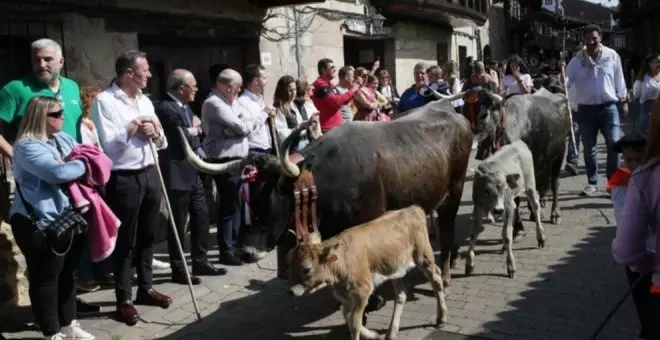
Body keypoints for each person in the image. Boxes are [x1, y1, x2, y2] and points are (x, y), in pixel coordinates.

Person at [92, 50, 171, 326]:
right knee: (126, 239)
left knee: (149, 233)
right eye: (145, 70)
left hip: (150, 172)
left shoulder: (146, 101)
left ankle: (145, 287)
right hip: (123, 177)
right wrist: (131, 129)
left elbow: (163, 144)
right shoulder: (105, 101)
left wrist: (157, 134)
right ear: (129, 73)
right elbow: (108, 147)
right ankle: (123, 298)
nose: (149, 74)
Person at [11, 96, 94, 340]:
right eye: (57, 114)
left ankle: (69, 324)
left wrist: (78, 162)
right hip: (37, 221)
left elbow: (92, 155)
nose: (63, 117)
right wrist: (81, 164)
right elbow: (57, 172)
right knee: (46, 278)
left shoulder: (61, 138)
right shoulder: (27, 145)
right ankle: (51, 332)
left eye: (62, 113)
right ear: (40, 117)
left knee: (68, 274)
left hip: (67, 216)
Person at [155, 69, 227, 286]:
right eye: (193, 86)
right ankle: (178, 269)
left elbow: (197, 130)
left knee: (202, 215)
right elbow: (181, 135)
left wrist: (194, 129)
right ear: (182, 88)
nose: (197, 89)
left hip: (194, 170)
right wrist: (193, 129)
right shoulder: (166, 108)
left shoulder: (184, 107)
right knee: (178, 222)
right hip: (177, 172)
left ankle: (200, 260)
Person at [565, 24, 628, 197]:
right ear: (583, 40)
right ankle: (592, 183)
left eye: (594, 38)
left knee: (614, 145)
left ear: (600, 37)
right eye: (588, 39)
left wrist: (623, 100)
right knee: (589, 148)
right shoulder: (576, 60)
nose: (591, 41)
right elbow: (567, 83)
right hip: (585, 110)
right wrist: (562, 80)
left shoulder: (611, 55)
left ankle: (612, 183)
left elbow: (619, 78)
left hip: (608, 107)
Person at [202, 68, 253, 266]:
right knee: (228, 205)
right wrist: (241, 129)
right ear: (228, 87)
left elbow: (244, 124)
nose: (239, 91)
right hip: (225, 161)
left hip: (238, 160)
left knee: (237, 204)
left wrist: (241, 129)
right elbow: (242, 126)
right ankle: (227, 249)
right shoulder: (213, 103)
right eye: (238, 87)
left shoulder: (231, 102)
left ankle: (236, 244)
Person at [611, 127, 658, 339]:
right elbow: (623, 222)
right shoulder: (621, 184)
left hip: (649, 256)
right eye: (628, 160)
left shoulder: (647, 178)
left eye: (638, 159)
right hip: (641, 256)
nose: (633, 165)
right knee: (644, 303)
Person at [0, 38, 83, 157]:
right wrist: (14, 155)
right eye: (37, 60)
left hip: (75, 163)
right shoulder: (15, 89)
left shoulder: (72, 86)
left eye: (48, 59)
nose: (42, 65)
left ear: (61, 62)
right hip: (38, 167)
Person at [237, 64, 276, 156]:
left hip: (267, 150)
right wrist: (265, 113)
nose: (267, 82)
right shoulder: (242, 102)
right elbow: (248, 131)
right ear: (255, 81)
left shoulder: (260, 99)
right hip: (254, 152)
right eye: (264, 78)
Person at [273, 75, 320, 151]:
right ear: (283, 91)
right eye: (290, 90)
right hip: (292, 149)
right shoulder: (279, 109)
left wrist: (311, 123)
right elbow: (282, 134)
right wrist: (300, 127)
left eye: (294, 90)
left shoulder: (295, 105)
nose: (293, 93)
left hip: (305, 144)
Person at [311, 58, 355, 132]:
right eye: (332, 68)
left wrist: (354, 90)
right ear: (323, 71)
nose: (335, 70)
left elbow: (343, 102)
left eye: (334, 67)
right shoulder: (320, 84)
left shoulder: (330, 84)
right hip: (328, 128)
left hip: (336, 127)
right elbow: (336, 102)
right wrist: (353, 90)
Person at [632, 52, 660, 134]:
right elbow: (635, 94)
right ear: (650, 64)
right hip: (648, 110)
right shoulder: (643, 78)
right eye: (657, 62)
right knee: (647, 135)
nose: (659, 64)